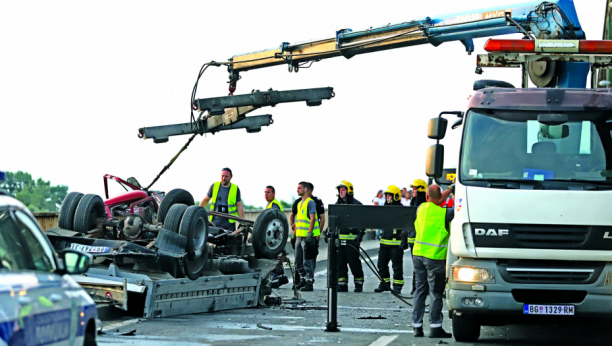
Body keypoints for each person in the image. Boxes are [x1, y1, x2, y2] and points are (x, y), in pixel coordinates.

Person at [411, 185, 454, 338]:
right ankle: (435, 327)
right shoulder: (445, 213)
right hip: (435, 258)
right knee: (435, 293)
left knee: (419, 291)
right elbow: (456, 209)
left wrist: (448, 190)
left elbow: (436, 199)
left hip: (418, 256)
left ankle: (417, 327)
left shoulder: (421, 208)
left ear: (427, 197)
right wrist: (453, 194)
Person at [290, 183, 325, 289]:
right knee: (297, 262)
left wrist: (311, 233)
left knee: (308, 261)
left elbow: (313, 219)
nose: (297, 190)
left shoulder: (311, 202)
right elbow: (297, 220)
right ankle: (304, 279)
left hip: (307, 237)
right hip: (299, 236)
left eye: (299, 188)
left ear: (306, 189)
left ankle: (309, 282)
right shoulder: (299, 203)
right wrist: (294, 233)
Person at [374, 185, 407, 294]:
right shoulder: (384, 209)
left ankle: (397, 286)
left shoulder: (401, 209)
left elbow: (406, 226)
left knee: (397, 267)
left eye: (389, 195)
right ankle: (384, 284)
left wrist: (404, 240)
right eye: (386, 195)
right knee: (381, 265)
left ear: (395, 196)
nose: (387, 197)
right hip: (384, 244)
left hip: (396, 245)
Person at [335, 180, 365, 293]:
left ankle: (358, 283)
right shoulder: (337, 205)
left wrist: (360, 234)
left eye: (343, 190)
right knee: (340, 262)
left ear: (349, 191)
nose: (341, 192)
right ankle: (342, 284)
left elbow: (363, 222)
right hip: (340, 240)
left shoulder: (357, 205)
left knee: (354, 262)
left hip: (352, 240)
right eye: (340, 190)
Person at [200, 167, 245, 231]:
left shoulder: (235, 189)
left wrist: (243, 221)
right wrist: (196, 211)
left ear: (231, 177)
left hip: (229, 224)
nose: (224, 178)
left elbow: (239, 205)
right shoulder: (214, 186)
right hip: (214, 223)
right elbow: (205, 200)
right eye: (222, 176)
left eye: (226, 176)